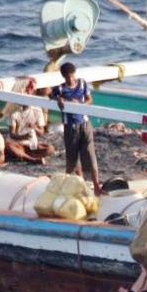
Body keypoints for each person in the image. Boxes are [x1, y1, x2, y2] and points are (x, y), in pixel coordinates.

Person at [50, 62, 102, 194]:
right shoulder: (60, 89)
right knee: (72, 159)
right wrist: (58, 98)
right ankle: (78, 187)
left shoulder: (82, 84)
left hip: (84, 124)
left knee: (90, 155)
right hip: (70, 126)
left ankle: (97, 187)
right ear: (64, 77)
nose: (71, 80)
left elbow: (90, 99)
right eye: (68, 77)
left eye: (72, 76)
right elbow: (49, 94)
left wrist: (80, 104)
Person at [9, 92, 56, 162]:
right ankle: (32, 159)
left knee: (50, 148)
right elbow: (12, 134)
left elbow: (41, 132)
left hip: (33, 145)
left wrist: (34, 127)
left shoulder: (37, 110)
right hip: (20, 144)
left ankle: (25, 156)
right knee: (9, 145)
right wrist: (23, 137)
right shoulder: (14, 112)